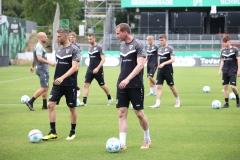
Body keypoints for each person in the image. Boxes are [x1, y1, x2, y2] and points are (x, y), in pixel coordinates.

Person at [115, 23, 151, 149]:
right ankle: (122, 143)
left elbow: (140, 65)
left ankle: (147, 139)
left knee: (139, 113)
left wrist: (127, 79)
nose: (117, 35)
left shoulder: (138, 44)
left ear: (125, 32)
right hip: (122, 84)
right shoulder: (121, 46)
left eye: (118, 33)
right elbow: (123, 66)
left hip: (135, 84)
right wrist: (121, 80)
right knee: (121, 113)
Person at [42, 28, 80, 141]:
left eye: (58, 36)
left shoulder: (74, 49)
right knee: (50, 105)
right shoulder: (58, 50)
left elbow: (75, 67)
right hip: (57, 84)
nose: (57, 38)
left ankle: (72, 132)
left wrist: (62, 78)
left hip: (70, 84)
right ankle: (53, 132)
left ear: (65, 36)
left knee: (72, 108)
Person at [25, 32, 55, 111]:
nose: (47, 38)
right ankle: (30, 102)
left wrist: (32, 66)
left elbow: (34, 58)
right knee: (44, 87)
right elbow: (39, 58)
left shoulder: (37, 46)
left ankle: (45, 105)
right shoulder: (39, 47)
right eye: (45, 37)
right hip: (42, 69)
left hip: (42, 69)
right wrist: (50, 63)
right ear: (41, 38)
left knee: (46, 87)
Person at [80, 34, 113, 106]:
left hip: (98, 70)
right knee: (86, 84)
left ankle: (110, 98)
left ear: (94, 38)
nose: (89, 40)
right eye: (88, 39)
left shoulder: (99, 47)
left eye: (91, 39)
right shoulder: (89, 48)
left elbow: (103, 59)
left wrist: (97, 68)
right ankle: (84, 102)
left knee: (102, 85)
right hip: (90, 69)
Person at [149, 34, 180, 108]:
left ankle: (178, 100)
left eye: (162, 40)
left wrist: (164, 63)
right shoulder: (159, 49)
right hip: (160, 71)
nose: (161, 42)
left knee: (171, 87)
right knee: (158, 86)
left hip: (168, 71)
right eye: (160, 40)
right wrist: (158, 65)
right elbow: (159, 59)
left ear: (166, 40)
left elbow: (173, 59)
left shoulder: (170, 49)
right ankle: (157, 103)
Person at [218, 35, 240, 108]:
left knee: (233, 87)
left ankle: (237, 98)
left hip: (233, 70)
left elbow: (238, 60)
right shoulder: (222, 50)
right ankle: (226, 103)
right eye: (224, 42)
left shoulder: (235, 49)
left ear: (229, 41)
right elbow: (222, 61)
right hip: (225, 70)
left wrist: (239, 70)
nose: (225, 43)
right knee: (225, 87)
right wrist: (219, 70)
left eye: (226, 42)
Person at [69, 32, 82, 97]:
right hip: (68, 65)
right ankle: (77, 89)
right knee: (68, 80)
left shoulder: (78, 46)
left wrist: (77, 65)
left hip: (74, 65)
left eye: (72, 37)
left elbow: (79, 56)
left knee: (74, 79)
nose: (71, 38)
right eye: (70, 37)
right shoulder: (67, 45)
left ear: (75, 38)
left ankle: (76, 91)